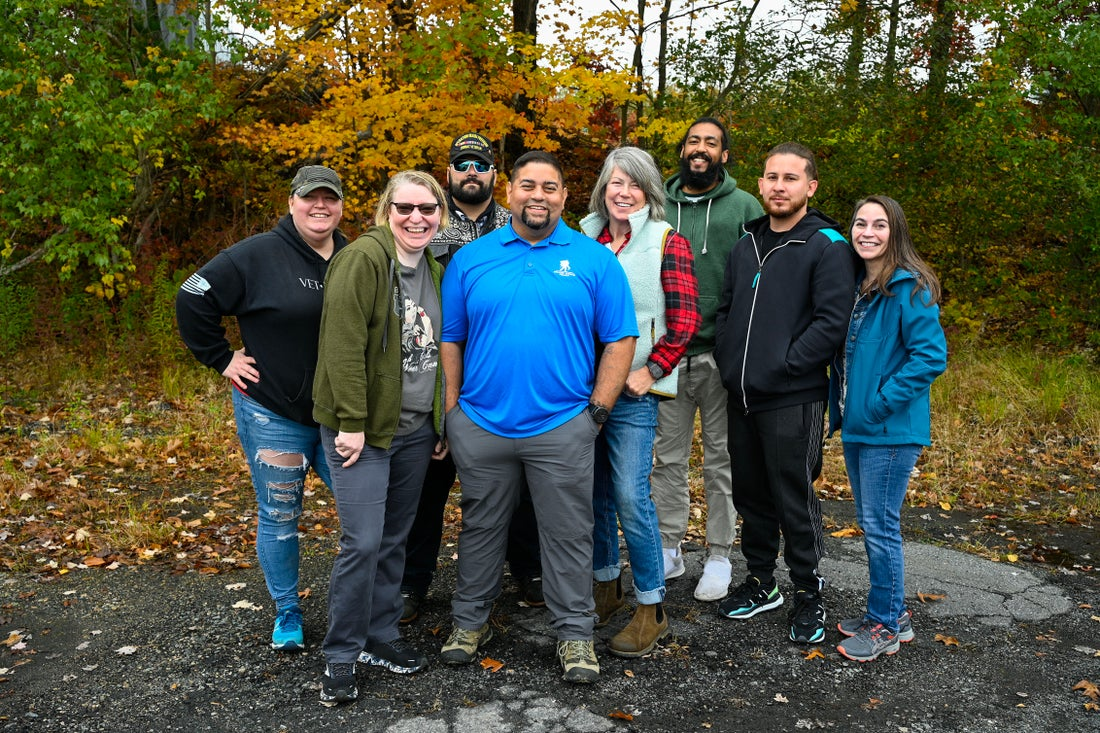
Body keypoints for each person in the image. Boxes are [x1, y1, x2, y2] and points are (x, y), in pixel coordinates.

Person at [439, 151, 637, 684]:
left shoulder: (594, 260)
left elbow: (621, 338)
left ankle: (574, 636)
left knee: (569, 532)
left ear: (564, 198)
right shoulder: (471, 259)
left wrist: (596, 411)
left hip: (562, 426)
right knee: (481, 528)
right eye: (528, 185)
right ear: (509, 193)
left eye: (550, 188)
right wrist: (453, 411)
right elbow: (451, 338)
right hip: (481, 424)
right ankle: (468, 623)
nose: (538, 196)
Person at [175, 165, 347, 653]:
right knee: (280, 514)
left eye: (329, 199)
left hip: (341, 417)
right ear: (291, 202)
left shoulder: (354, 257)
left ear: (340, 206)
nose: (320, 207)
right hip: (274, 413)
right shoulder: (255, 256)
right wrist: (221, 357)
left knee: (362, 515)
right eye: (310, 198)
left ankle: (355, 604)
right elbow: (192, 295)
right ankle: (287, 611)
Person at [311, 171, 447, 705]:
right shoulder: (362, 260)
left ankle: (380, 635)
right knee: (362, 540)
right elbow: (341, 344)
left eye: (427, 209)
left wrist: (439, 420)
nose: (416, 218)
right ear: (385, 210)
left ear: (440, 214)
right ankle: (341, 654)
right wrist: (349, 421)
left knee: (395, 538)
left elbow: (439, 352)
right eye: (405, 207)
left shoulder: (435, 269)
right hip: (362, 429)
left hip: (415, 429)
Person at [713, 142, 855, 645]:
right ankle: (760, 582)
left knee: (792, 496)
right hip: (742, 394)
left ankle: (809, 594)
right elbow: (726, 310)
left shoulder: (828, 245)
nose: (778, 186)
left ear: (809, 187)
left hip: (792, 397)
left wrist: (786, 366)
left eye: (790, 178)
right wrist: (732, 363)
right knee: (750, 494)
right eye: (771, 177)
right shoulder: (745, 243)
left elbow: (831, 322)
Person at [400, 133, 543, 626]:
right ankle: (412, 582)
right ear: (448, 174)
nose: (471, 172)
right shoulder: (426, 224)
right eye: (461, 164)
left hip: (501, 372)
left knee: (517, 482)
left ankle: (529, 572)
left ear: (494, 176)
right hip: (434, 367)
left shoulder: (516, 224)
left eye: (480, 165)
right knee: (428, 485)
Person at [578, 146, 700, 656]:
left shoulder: (668, 242)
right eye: (614, 184)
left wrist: (650, 372)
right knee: (596, 494)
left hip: (632, 391)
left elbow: (685, 320)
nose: (623, 194)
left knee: (630, 494)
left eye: (634, 185)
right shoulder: (581, 238)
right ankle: (604, 589)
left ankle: (652, 607)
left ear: (650, 193)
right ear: (602, 190)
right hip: (580, 391)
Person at [830, 195, 947, 662]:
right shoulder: (861, 286)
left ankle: (884, 626)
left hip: (890, 429)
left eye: (879, 225)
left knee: (880, 526)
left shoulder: (909, 287)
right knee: (873, 522)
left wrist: (880, 404)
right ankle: (892, 612)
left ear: (894, 231)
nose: (868, 232)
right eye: (860, 224)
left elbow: (930, 357)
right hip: (860, 426)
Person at [652, 117, 764, 602]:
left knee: (722, 461)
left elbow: (761, 280)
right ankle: (669, 546)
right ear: (682, 150)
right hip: (668, 355)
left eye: (711, 143)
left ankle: (719, 553)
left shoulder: (744, 207)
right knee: (666, 459)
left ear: (724, 155)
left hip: (721, 356)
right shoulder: (657, 204)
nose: (701, 149)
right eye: (693, 141)